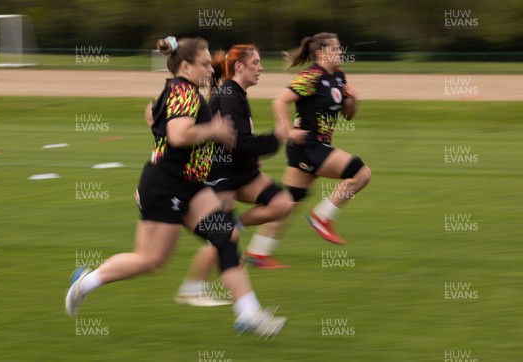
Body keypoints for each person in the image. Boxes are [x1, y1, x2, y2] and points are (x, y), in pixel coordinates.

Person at [65, 36, 286, 338]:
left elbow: (153, 115)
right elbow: (179, 135)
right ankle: (86, 281)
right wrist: (215, 129)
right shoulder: (184, 91)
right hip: (165, 186)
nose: (211, 69)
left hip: (191, 185)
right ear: (186, 65)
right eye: (206, 63)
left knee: (227, 235)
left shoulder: (181, 90)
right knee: (151, 260)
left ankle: (249, 312)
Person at [175, 44, 305, 306]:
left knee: (282, 204)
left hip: (242, 173)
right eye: (255, 63)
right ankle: (192, 287)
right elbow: (240, 142)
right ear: (239, 67)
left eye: (259, 63)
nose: (260, 68)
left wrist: (254, 152)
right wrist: (277, 138)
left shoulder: (236, 93)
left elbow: (237, 142)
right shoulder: (229, 95)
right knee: (221, 238)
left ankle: (237, 226)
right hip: (221, 175)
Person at [250, 32, 371, 255]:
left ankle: (258, 252)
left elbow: (348, 116)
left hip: (312, 148)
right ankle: (322, 218)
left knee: (290, 203)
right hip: (308, 146)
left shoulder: (339, 77)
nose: (340, 52)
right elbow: (280, 100)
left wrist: (354, 100)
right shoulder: (311, 76)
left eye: (339, 48)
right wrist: (287, 131)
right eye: (335, 48)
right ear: (320, 53)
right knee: (361, 174)